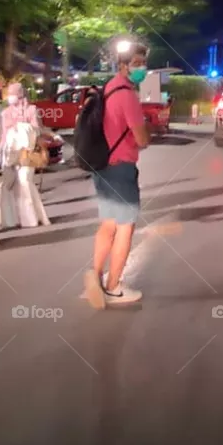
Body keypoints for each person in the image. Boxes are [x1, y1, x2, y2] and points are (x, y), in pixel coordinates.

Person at [84, 44, 150, 309]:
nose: (142, 68)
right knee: (125, 227)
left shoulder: (109, 88)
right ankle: (113, 287)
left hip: (102, 165)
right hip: (121, 168)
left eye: (143, 63)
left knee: (108, 224)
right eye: (137, 63)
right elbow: (141, 138)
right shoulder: (127, 95)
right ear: (123, 66)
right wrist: (145, 133)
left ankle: (95, 275)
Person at [0, 83, 50, 229]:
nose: (10, 97)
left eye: (13, 93)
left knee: (24, 181)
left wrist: (22, 129)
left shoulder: (32, 110)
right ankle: (21, 218)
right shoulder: (6, 113)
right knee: (12, 184)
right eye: (9, 94)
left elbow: (37, 130)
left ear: (20, 94)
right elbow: (4, 134)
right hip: (11, 153)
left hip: (28, 151)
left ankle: (31, 219)